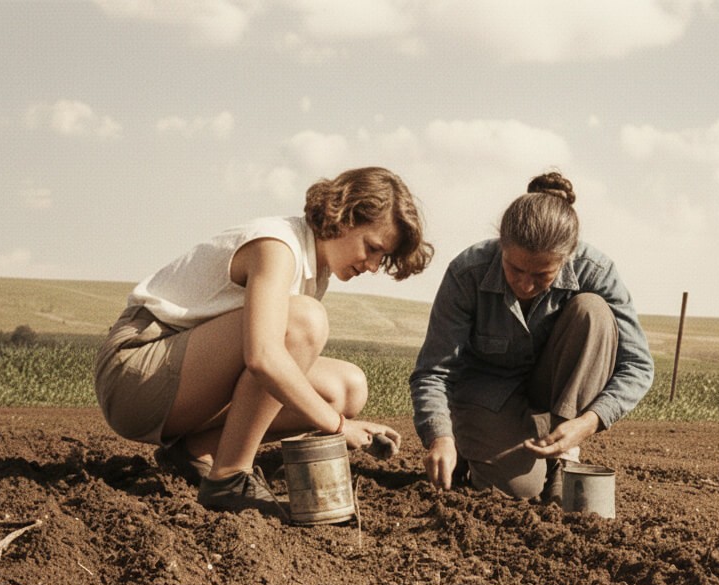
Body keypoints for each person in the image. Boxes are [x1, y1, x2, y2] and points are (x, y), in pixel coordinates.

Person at [95, 166, 433, 513]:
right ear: (345, 217)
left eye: (383, 258)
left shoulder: (314, 268)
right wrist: (338, 427)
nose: (374, 266)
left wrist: (339, 417)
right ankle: (229, 476)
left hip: (176, 381)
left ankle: (198, 449)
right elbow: (262, 357)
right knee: (304, 322)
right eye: (372, 247)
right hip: (135, 371)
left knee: (346, 388)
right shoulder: (278, 246)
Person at [409, 171, 653, 501]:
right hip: (486, 395)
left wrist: (587, 423)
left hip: (552, 398)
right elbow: (433, 372)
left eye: (541, 275)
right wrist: (441, 436)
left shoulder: (595, 271)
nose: (525, 285)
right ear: (501, 247)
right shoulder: (467, 272)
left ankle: (563, 457)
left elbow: (638, 366)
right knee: (520, 491)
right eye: (515, 269)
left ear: (567, 257)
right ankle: (475, 445)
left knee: (593, 311)